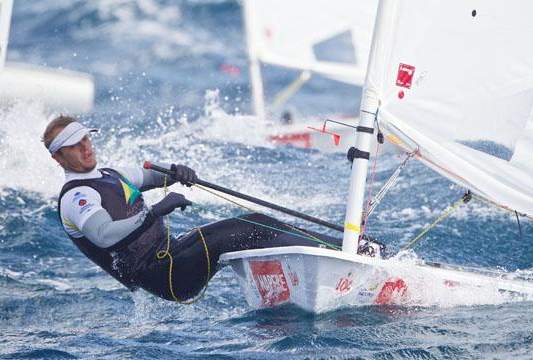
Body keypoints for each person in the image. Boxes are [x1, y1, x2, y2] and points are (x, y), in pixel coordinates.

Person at [44, 115, 339, 301]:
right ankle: (338, 253)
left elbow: (154, 176)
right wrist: (155, 213)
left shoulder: (112, 174)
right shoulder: (77, 198)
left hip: (171, 255)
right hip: (162, 275)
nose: (86, 147)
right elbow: (105, 235)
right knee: (247, 228)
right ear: (58, 157)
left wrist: (176, 173)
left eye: (86, 138)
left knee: (254, 224)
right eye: (75, 145)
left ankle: (331, 252)